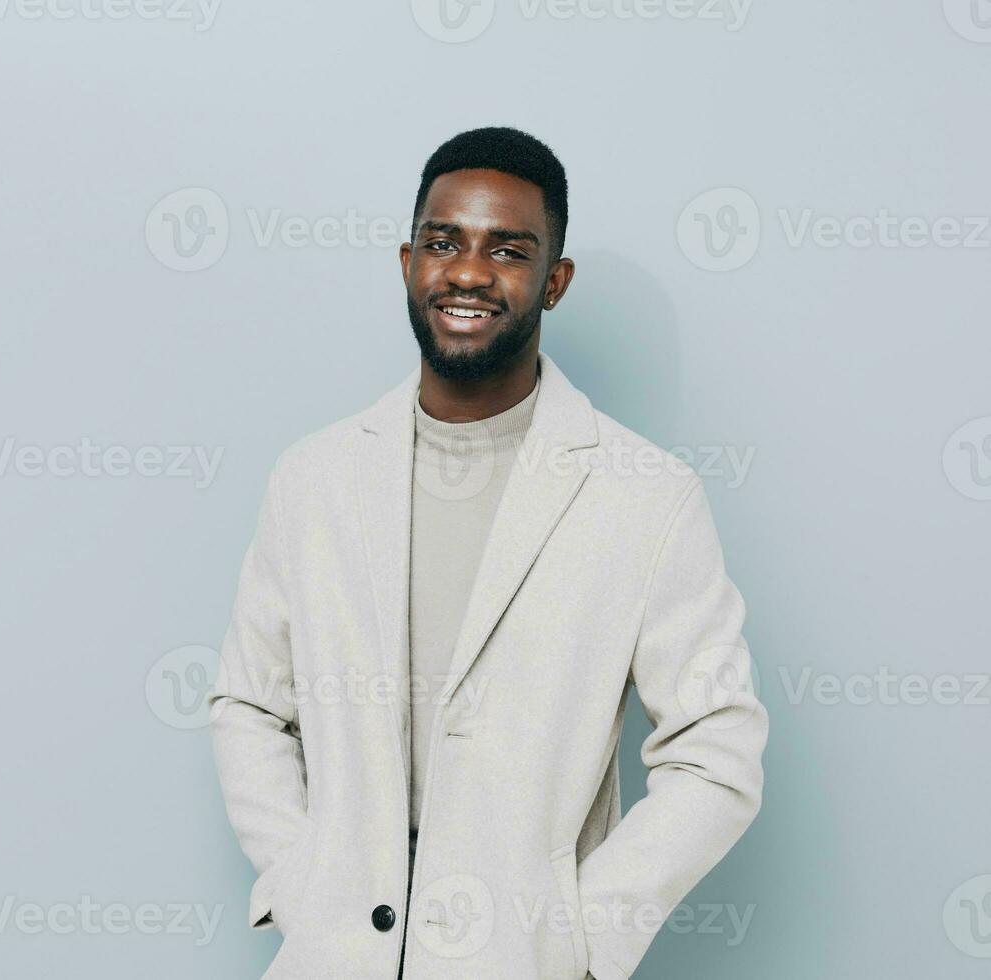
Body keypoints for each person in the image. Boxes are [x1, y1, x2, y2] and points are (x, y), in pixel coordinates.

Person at [206, 126, 767, 980]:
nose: (467, 272)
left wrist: (583, 934)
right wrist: (301, 881)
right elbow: (249, 706)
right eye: (443, 242)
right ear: (407, 263)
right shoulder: (314, 479)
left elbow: (716, 750)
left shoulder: (646, 496)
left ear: (555, 283)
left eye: (508, 250)